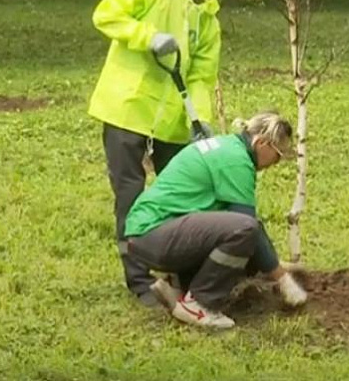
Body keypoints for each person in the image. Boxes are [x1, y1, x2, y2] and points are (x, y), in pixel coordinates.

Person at [88, 0, 252, 307]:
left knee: (185, 195)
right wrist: (147, 37)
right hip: (128, 109)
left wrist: (201, 119)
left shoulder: (209, 21)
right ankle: (139, 282)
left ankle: (181, 272)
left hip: (173, 122)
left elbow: (201, 77)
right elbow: (106, 14)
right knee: (131, 197)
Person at [123, 111, 308, 329]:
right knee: (243, 231)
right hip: (154, 233)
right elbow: (248, 228)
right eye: (278, 154)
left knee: (239, 236)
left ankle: (177, 286)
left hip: (150, 234)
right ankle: (199, 303)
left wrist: (273, 263)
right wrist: (283, 279)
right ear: (261, 143)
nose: (276, 162)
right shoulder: (237, 161)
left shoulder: (227, 147)